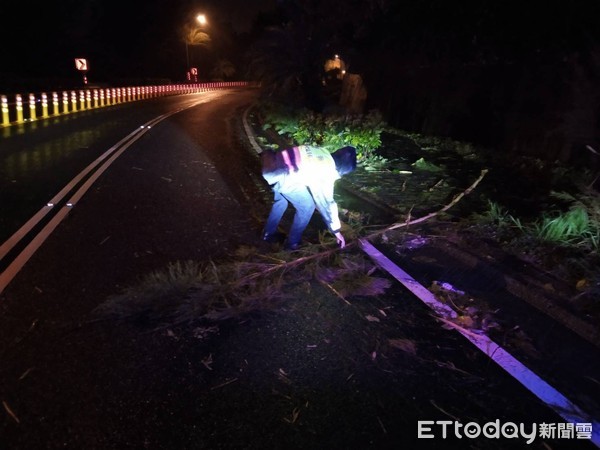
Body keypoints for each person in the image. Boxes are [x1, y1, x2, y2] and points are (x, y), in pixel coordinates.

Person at [261, 145, 357, 250]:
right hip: (282, 175)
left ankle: (268, 234)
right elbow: (327, 203)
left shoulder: (323, 151)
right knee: (307, 207)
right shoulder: (327, 171)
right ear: (342, 169)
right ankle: (292, 244)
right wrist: (336, 231)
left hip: (271, 163)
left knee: (281, 201)